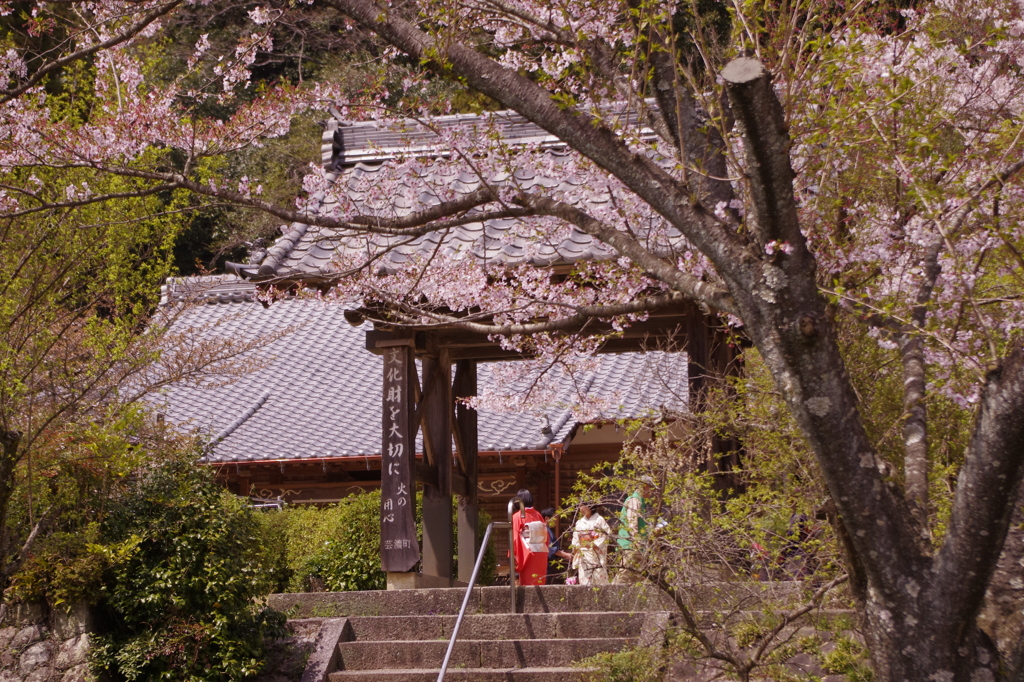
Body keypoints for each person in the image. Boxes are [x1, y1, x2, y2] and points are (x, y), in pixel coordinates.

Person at [613, 476, 654, 584]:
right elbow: (632, 523)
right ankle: (609, 597)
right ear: (645, 487)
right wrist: (636, 541)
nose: (652, 492)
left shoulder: (640, 501)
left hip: (638, 546)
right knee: (624, 577)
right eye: (651, 488)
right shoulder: (634, 500)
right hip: (632, 545)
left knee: (640, 578)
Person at [511, 489, 548, 585]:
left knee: (527, 583)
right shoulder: (538, 514)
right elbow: (545, 535)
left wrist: (513, 553)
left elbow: (515, 538)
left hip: (527, 551)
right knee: (539, 581)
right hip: (541, 551)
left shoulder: (517, 516)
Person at [571, 502, 611, 586]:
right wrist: (577, 548)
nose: (581, 509)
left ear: (591, 507)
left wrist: (592, 544)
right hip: (583, 554)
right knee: (585, 580)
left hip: (595, 554)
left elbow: (606, 534)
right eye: (580, 506)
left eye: (584, 506)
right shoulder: (579, 522)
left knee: (598, 579)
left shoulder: (599, 520)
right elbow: (575, 539)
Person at [541, 507, 572, 583]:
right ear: (547, 518)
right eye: (554, 518)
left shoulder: (547, 530)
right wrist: (566, 555)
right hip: (546, 562)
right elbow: (551, 548)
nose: (556, 521)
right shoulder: (545, 530)